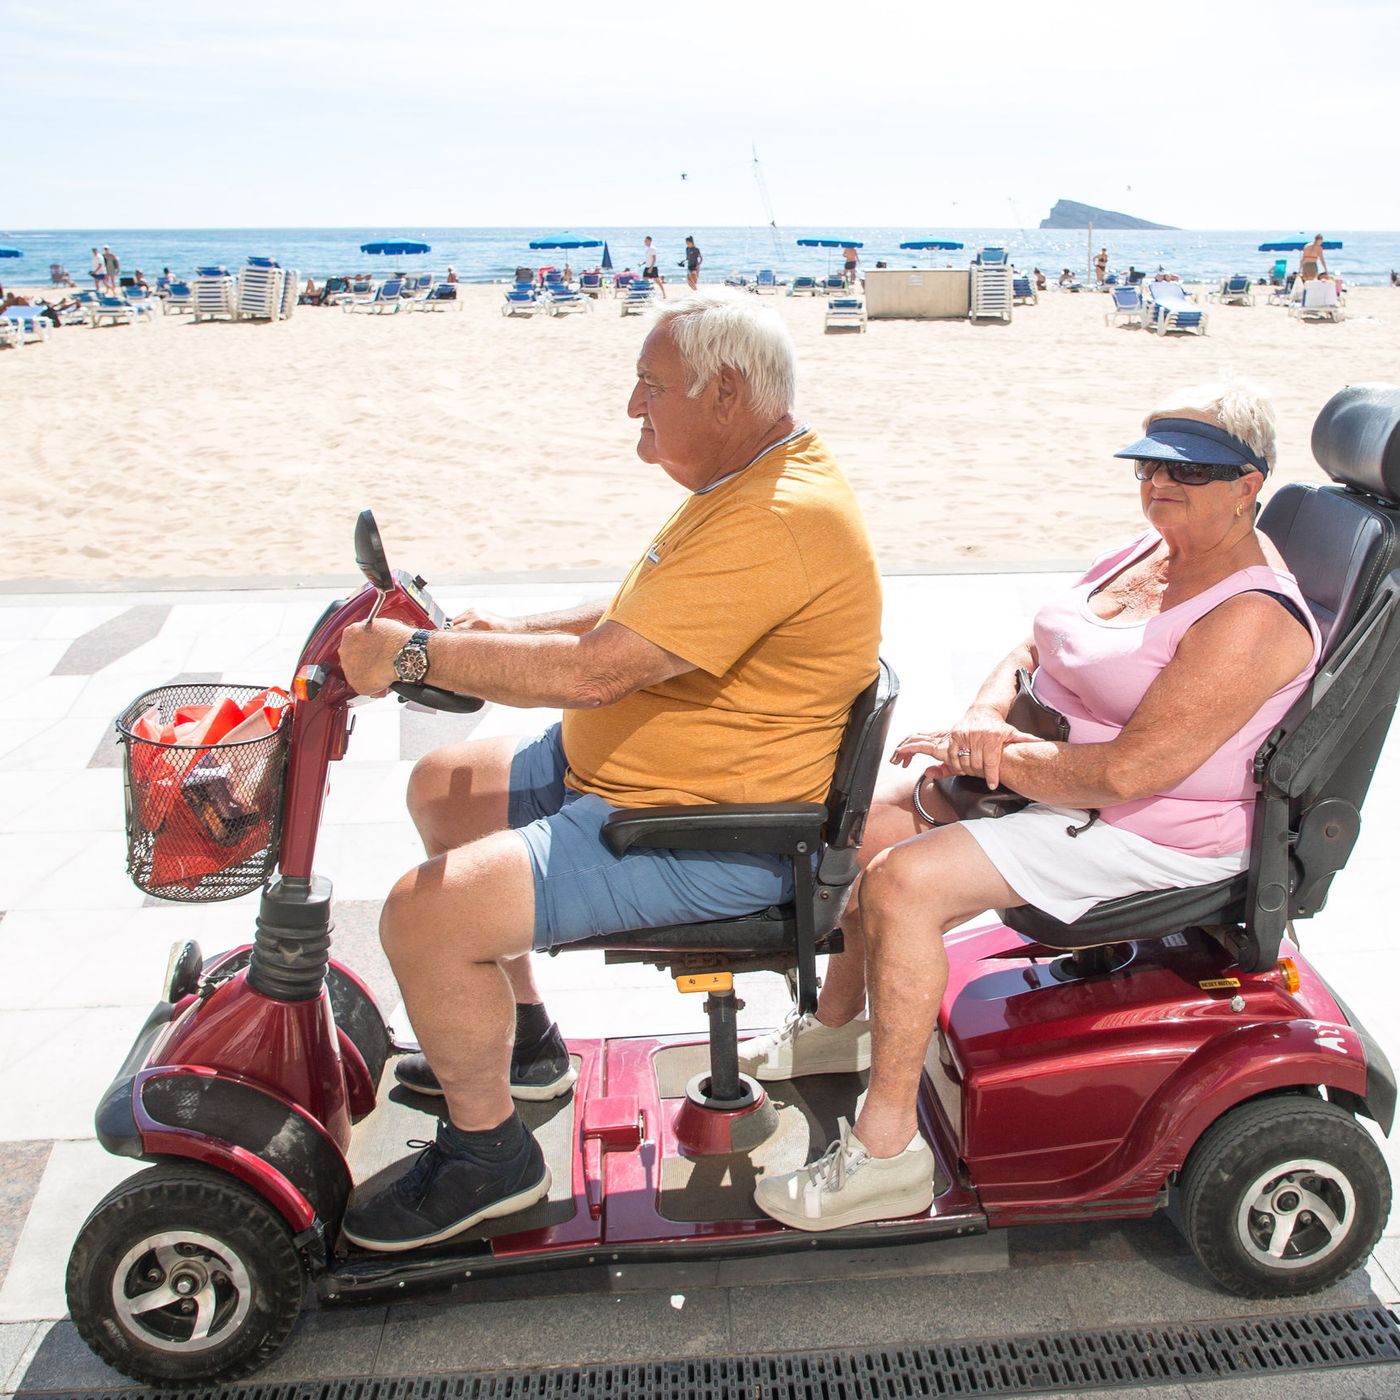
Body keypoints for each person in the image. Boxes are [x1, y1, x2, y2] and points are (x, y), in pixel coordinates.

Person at [335, 293, 881, 1252]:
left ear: (724, 391)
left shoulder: (781, 516)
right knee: (441, 791)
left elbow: (599, 674)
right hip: (631, 778)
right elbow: (643, 614)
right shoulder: (750, 481)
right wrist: (509, 633)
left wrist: (416, 659)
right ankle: (529, 1051)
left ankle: (486, 1159)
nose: (634, 406)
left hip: (698, 828)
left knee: (421, 916)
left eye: (650, 385)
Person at [746, 381, 1320, 1232]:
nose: (1160, 484)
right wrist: (982, 716)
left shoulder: (1250, 616)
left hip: (1146, 829)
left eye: (1190, 471)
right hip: (1059, 783)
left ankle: (886, 1152)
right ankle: (838, 1027)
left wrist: (999, 761)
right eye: (1150, 465)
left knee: (904, 884)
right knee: (864, 831)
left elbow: (1129, 773)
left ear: (1248, 483)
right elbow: (1032, 645)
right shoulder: (1148, 551)